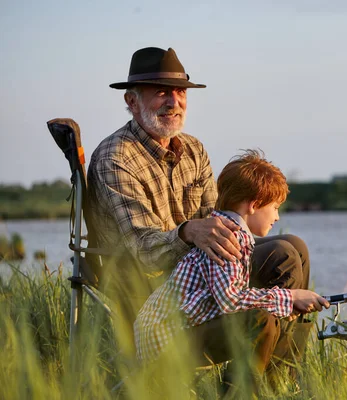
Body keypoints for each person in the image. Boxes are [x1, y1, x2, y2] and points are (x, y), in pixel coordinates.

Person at [86, 47, 322, 368]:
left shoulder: (194, 148)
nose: (174, 102)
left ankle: (279, 375)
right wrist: (188, 231)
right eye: (161, 93)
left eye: (180, 92)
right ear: (132, 101)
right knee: (281, 252)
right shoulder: (116, 159)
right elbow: (144, 251)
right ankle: (256, 373)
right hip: (154, 287)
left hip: (199, 269)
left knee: (294, 247)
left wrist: (230, 227)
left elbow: (222, 222)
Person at [134, 149, 329, 390]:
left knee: (266, 308)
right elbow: (230, 299)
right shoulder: (229, 239)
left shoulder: (224, 228)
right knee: (260, 319)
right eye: (275, 207)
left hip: (177, 334)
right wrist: (290, 297)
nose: (277, 217)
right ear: (255, 205)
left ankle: (278, 383)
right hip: (167, 348)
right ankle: (250, 391)